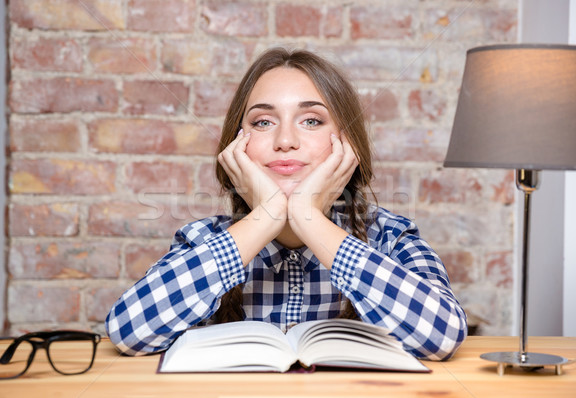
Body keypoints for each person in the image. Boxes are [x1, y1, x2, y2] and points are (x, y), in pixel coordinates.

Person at [105, 47, 468, 361]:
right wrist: (267, 216)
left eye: (311, 120)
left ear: (346, 143)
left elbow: (442, 336)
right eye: (263, 122)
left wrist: (309, 218)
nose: (285, 140)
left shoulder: (390, 237)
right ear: (237, 146)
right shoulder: (202, 240)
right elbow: (128, 332)